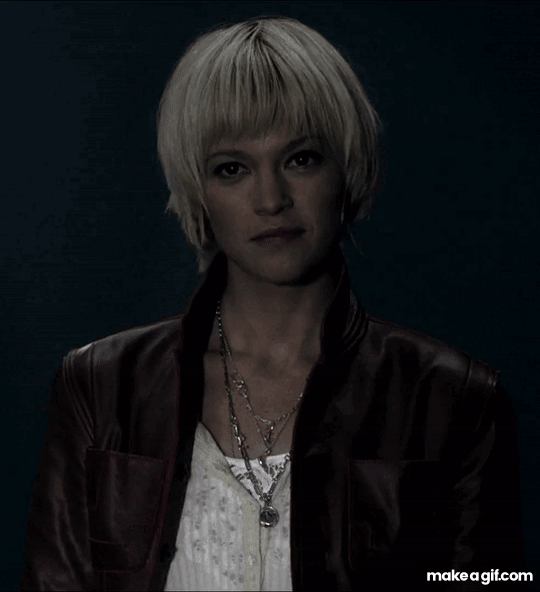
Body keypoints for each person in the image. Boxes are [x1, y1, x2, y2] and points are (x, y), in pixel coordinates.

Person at [20, 15, 526, 592]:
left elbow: (494, 581)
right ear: (199, 192)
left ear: (346, 168)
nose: (270, 198)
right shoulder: (101, 385)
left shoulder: (454, 398)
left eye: (301, 158)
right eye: (232, 169)